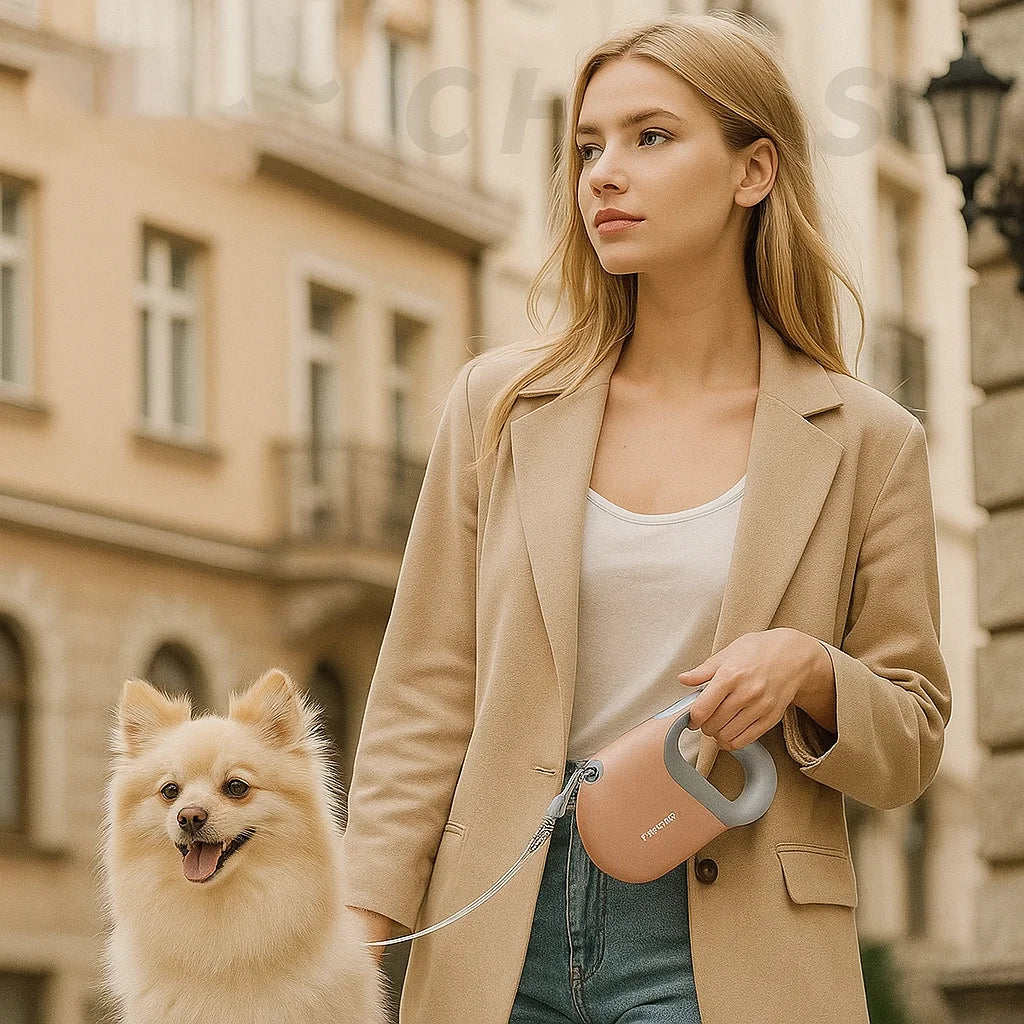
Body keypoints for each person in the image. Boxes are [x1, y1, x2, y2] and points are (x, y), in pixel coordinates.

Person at [341, 11, 951, 1024]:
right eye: (588, 146)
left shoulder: (865, 441)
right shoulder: (497, 405)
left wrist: (809, 669)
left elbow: (913, 734)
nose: (602, 175)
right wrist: (357, 931)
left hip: (728, 928)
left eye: (649, 137)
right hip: (496, 917)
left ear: (753, 171)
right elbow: (422, 691)